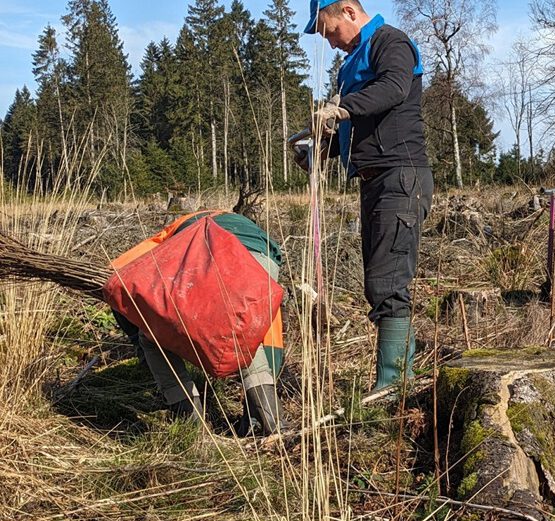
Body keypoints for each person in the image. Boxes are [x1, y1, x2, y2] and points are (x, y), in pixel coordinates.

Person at [300, 0, 433, 390]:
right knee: (378, 282)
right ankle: (395, 379)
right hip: (375, 179)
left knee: (389, 281)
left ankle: (394, 386)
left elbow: (393, 89)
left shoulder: (390, 42)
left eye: (328, 30)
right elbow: (359, 126)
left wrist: (340, 108)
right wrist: (320, 151)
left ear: (348, 11)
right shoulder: (352, 62)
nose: (329, 40)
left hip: (401, 177)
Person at [111, 210, 285, 435]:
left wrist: (140, 338)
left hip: (210, 250)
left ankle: (191, 426)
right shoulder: (226, 224)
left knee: (152, 337)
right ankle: (273, 424)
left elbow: (121, 275)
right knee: (243, 334)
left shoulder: (165, 238)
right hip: (263, 257)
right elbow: (271, 337)